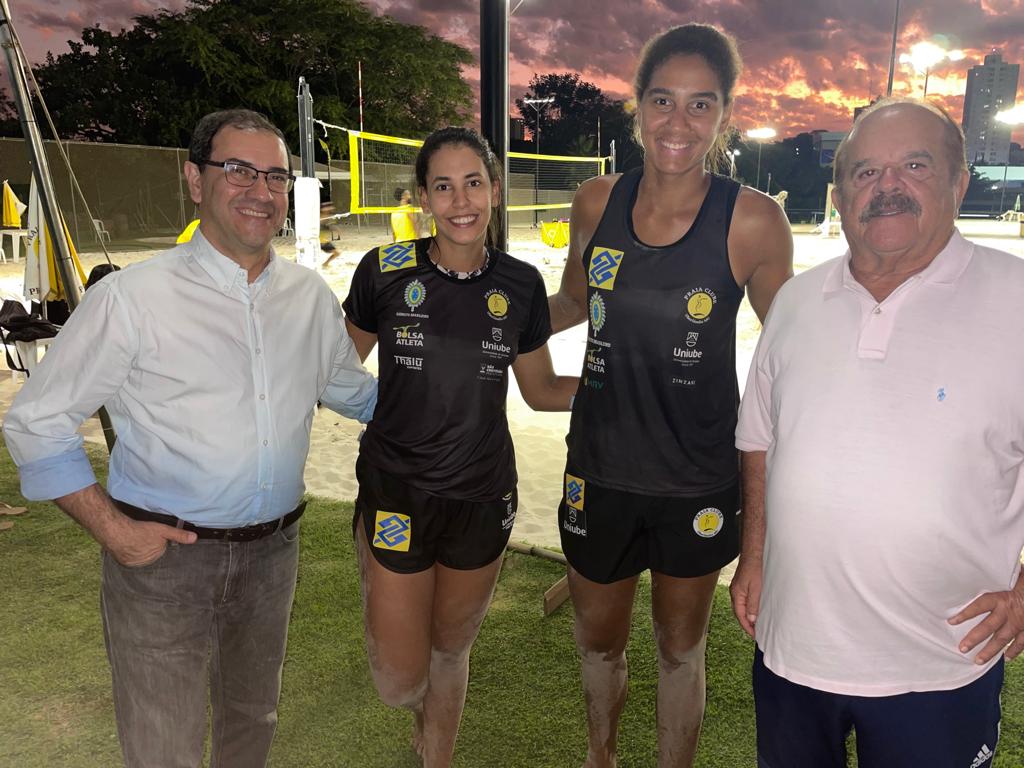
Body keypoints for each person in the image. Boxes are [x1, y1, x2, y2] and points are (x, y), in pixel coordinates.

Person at [3, 109, 377, 768]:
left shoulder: (309, 298)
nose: (261, 190)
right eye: (238, 170)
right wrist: (115, 532)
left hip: (273, 557)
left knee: (252, 722)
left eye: (276, 176)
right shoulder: (133, 298)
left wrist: (453, 381)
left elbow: (356, 393)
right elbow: (36, 421)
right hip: (162, 563)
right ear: (195, 181)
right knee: (162, 743)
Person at [731, 98, 1024, 767]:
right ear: (839, 197)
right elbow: (760, 439)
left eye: (914, 166)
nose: (887, 186)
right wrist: (754, 556)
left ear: (958, 182)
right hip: (793, 651)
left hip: (939, 661)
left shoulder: (1016, 297)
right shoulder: (796, 302)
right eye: (865, 172)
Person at [547, 24, 793, 768]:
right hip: (599, 471)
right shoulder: (596, 201)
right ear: (638, 106)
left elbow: (793, 353)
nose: (677, 122)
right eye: (662, 100)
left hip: (697, 479)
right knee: (599, 644)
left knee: (680, 648)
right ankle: (601, 756)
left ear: (724, 115)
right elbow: (570, 302)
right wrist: (482, 312)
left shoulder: (753, 220)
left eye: (700, 104)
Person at [343, 126, 578, 768]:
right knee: (399, 683)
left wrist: (627, 390)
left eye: (473, 183)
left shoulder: (521, 284)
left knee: (450, 652)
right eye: (443, 187)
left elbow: (541, 390)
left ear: (495, 190)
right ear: (423, 198)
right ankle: (373, 563)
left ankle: (437, 755)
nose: (461, 201)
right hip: (397, 490)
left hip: (482, 495)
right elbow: (334, 371)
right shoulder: (385, 271)